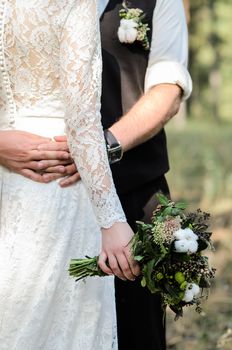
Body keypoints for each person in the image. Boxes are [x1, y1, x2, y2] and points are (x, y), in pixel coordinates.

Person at [0, 0, 192, 349]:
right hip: (33, 189)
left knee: (136, 331)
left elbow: (169, 88)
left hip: (133, 190)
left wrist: (102, 148)